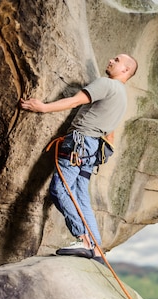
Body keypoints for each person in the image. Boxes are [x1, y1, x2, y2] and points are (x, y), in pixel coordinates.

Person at [20, 54, 138, 263]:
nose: (111, 60)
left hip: (79, 142)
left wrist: (43, 107)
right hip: (91, 149)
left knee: (59, 189)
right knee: (81, 195)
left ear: (126, 70)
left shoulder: (107, 84)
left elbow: (75, 101)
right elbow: (110, 134)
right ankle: (97, 250)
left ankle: (83, 239)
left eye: (117, 60)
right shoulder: (122, 98)